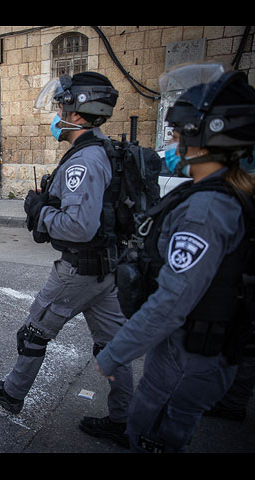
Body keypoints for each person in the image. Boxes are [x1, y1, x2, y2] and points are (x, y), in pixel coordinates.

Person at [94, 63, 255, 453]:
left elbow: (171, 302)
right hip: (197, 350)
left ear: (205, 134)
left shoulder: (206, 210)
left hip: (188, 356)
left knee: (152, 435)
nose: (172, 138)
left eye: (179, 130)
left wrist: (114, 355)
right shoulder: (220, 193)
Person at [0, 72, 134, 448]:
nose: (57, 113)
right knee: (114, 347)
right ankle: (124, 419)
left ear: (78, 114)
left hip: (78, 269)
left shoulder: (85, 161)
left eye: (62, 106)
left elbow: (78, 227)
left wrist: (39, 209)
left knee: (33, 333)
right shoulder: (105, 150)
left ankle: (12, 394)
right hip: (106, 270)